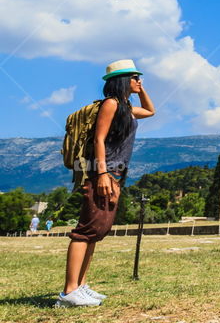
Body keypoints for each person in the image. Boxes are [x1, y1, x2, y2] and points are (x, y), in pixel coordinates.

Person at [56, 60, 155, 308]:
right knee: (85, 231)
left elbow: (151, 111)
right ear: (122, 81)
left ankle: (81, 285)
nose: (138, 80)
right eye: (134, 78)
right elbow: (99, 140)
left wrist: (141, 90)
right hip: (103, 173)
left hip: (115, 175)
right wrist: (101, 174)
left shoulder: (126, 107)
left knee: (96, 232)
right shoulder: (111, 104)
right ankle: (69, 292)